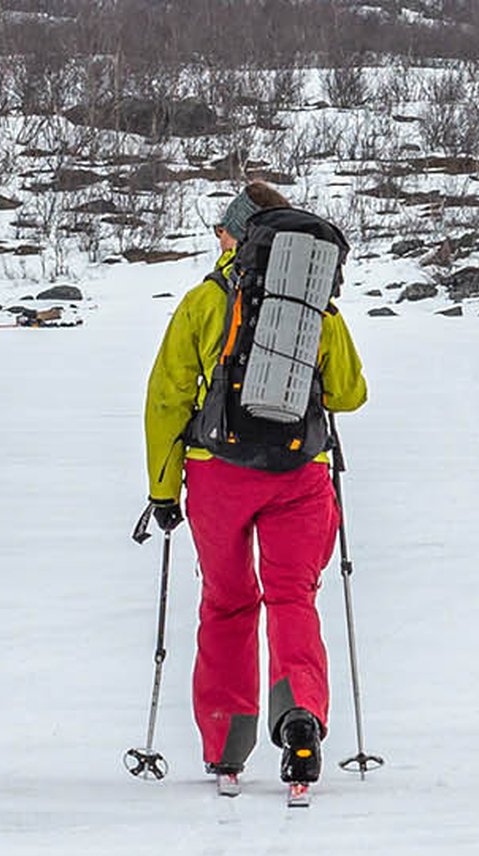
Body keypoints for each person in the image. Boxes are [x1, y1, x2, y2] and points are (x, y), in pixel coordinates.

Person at [141, 181, 367, 789]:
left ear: (236, 234)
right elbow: (349, 392)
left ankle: (225, 742)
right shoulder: (314, 302)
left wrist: (163, 491)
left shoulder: (204, 300)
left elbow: (167, 398)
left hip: (218, 473)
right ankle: (300, 720)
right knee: (292, 598)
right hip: (301, 474)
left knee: (226, 601)